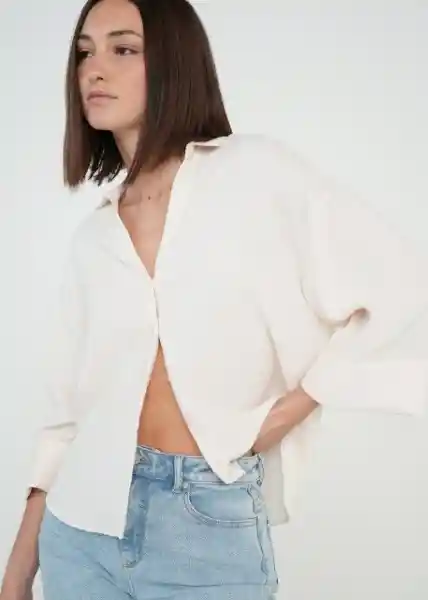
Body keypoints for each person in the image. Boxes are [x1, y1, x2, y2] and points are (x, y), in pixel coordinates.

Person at [2, 0, 428, 598]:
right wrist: (17, 573)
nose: (95, 69)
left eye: (124, 49)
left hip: (204, 519)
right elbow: (65, 418)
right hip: (79, 529)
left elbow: (399, 289)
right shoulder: (93, 237)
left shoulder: (254, 173)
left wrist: (285, 413)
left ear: (175, 61)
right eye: (84, 53)